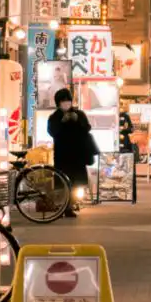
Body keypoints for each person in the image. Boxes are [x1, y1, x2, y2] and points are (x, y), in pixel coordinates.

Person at [47, 87, 94, 217]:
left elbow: (87, 128)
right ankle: (63, 206)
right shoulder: (54, 117)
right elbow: (52, 132)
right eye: (63, 101)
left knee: (76, 182)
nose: (66, 103)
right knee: (63, 182)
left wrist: (78, 121)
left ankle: (71, 205)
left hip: (77, 154)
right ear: (58, 103)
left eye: (68, 100)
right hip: (62, 155)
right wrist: (62, 122)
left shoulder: (79, 114)